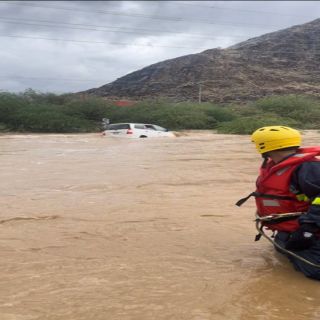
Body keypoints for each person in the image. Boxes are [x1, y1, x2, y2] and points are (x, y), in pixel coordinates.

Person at [237, 125, 320, 280]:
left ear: (265, 146)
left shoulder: (307, 168)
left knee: (314, 273)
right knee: (282, 255)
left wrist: (308, 228)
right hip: (289, 229)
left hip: (310, 230)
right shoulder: (274, 165)